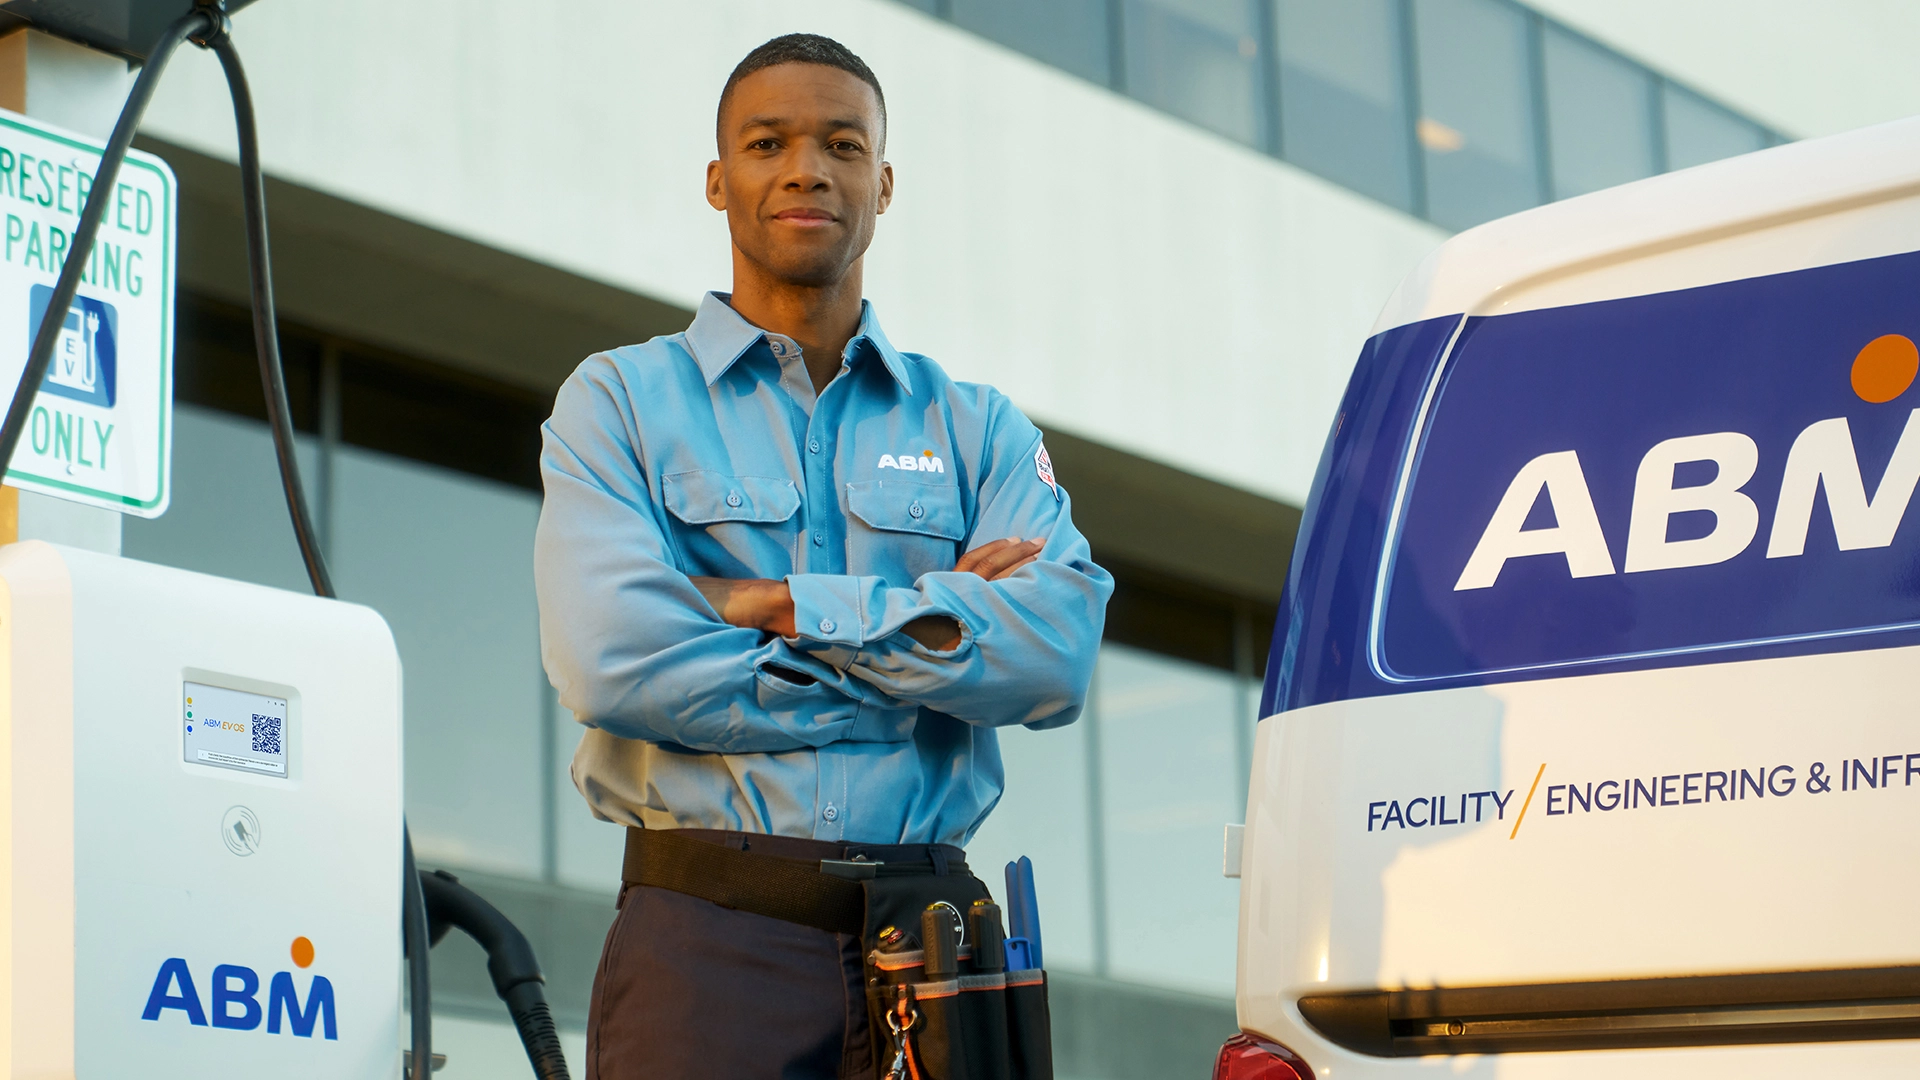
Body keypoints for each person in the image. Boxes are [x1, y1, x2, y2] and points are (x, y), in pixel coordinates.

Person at [534, 32, 1110, 1080]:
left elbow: (1056, 655)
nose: (807, 167)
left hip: (941, 946)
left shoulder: (979, 430)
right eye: (768, 143)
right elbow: (610, 659)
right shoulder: (616, 403)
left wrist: (770, 604)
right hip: (708, 946)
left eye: (843, 144)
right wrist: (926, 650)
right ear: (719, 180)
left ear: (883, 183)